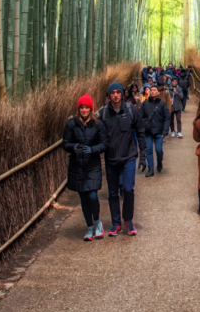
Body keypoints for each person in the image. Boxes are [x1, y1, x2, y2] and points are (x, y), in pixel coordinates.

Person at [99, 82, 146, 235]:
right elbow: (96, 133)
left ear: (122, 94)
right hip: (111, 158)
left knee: (128, 189)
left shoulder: (131, 111)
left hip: (129, 156)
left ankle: (128, 219)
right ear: (109, 95)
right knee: (112, 192)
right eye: (112, 93)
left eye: (118, 92)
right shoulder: (104, 113)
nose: (115, 95)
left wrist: (143, 155)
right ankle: (116, 223)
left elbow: (140, 132)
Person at [62, 94, 108, 240]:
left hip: (92, 165)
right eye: (81, 107)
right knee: (83, 198)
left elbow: (104, 143)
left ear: (91, 108)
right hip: (77, 165)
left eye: (86, 107)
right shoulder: (71, 124)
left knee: (92, 196)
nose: (84, 110)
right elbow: (65, 143)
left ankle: (97, 222)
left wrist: (93, 149)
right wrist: (73, 147)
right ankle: (89, 227)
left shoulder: (98, 124)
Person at [140, 82, 170, 176]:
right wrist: (144, 125)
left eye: (154, 90)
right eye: (151, 90)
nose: (152, 92)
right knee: (149, 150)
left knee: (158, 149)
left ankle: (159, 161)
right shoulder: (145, 104)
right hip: (148, 131)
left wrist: (165, 131)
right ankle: (151, 169)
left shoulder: (162, 104)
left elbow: (167, 118)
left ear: (158, 93)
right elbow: (141, 117)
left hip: (159, 131)